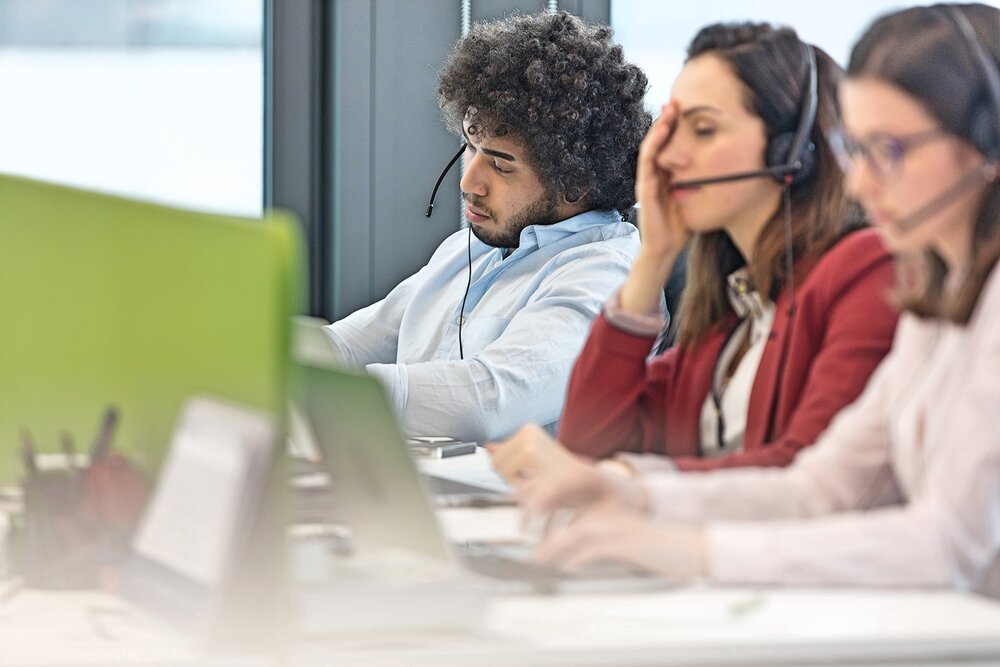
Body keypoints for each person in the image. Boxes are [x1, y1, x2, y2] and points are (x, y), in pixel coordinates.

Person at [502, 3, 1000, 594]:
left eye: (889, 149)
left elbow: (951, 547)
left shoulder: (897, 277)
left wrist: (684, 547)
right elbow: (820, 487)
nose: (863, 183)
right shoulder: (937, 298)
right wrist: (629, 490)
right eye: (858, 150)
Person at [491, 22, 898, 479]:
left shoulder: (869, 274)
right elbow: (589, 444)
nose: (669, 158)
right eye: (670, 131)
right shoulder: (731, 315)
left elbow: (808, 476)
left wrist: (630, 482)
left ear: (792, 152)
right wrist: (652, 261)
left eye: (703, 130)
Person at [323, 11, 648, 443]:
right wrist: (257, 357)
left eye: (499, 164)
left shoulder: (608, 278)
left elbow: (488, 400)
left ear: (574, 182)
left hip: (518, 506)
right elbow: (347, 347)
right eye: (471, 148)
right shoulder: (471, 249)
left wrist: (328, 394)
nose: (468, 182)